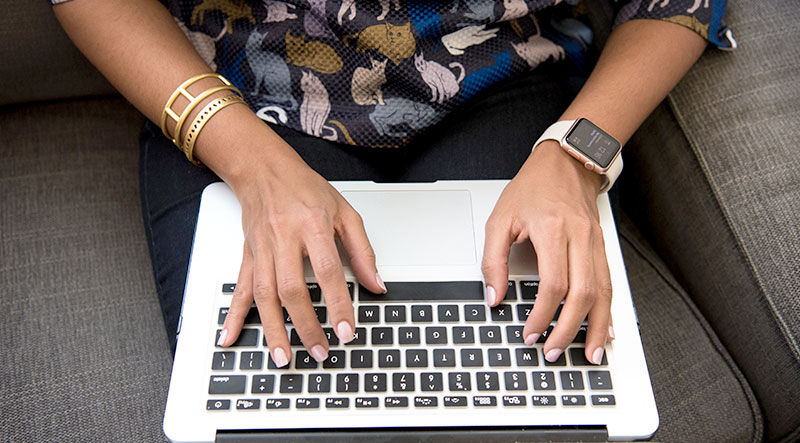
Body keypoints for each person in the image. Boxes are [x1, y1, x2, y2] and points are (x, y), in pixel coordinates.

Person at [52, 0, 727, 369]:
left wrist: (578, 151)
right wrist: (252, 165)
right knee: (280, 392)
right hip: (244, 90)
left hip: (503, 72)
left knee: (528, 389)